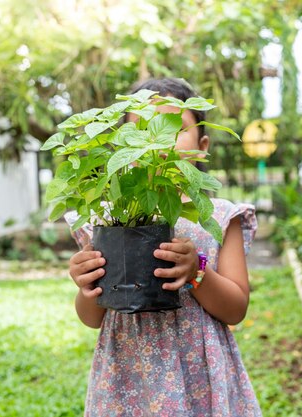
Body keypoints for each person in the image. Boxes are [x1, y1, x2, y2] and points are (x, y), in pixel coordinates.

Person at [67, 78, 262, 416]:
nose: (156, 140)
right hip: (127, 368)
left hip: (197, 368)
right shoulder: (107, 216)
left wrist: (197, 271)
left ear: (202, 145)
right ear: (121, 145)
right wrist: (87, 286)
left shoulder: (217, 216)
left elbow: (236, 309)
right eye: (141, 128)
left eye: (175, 127)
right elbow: (91, 319)